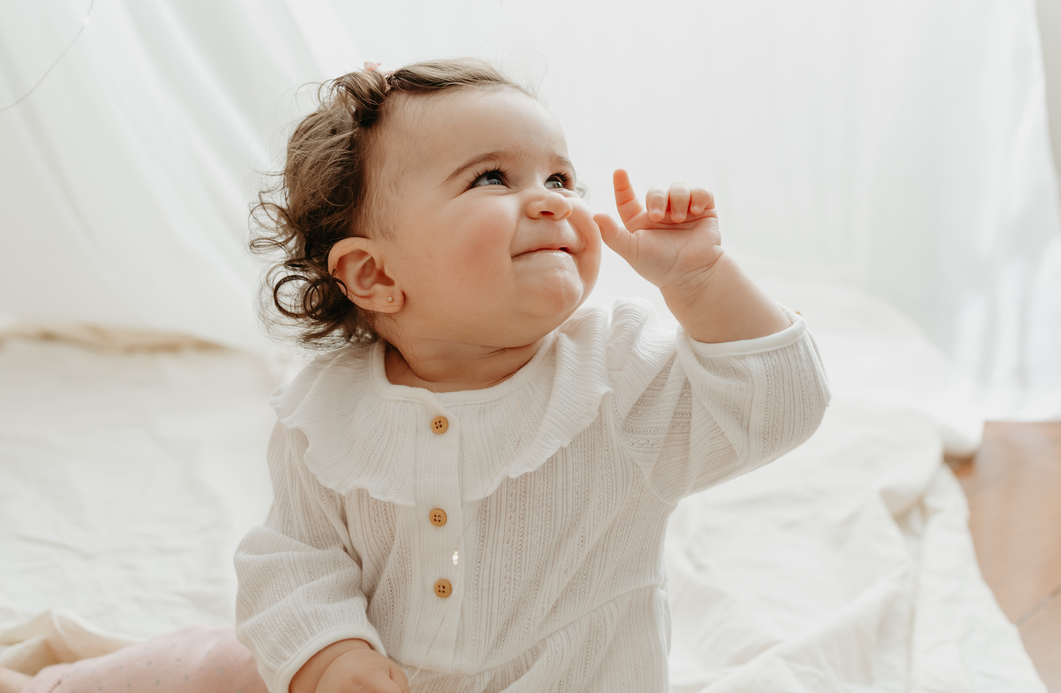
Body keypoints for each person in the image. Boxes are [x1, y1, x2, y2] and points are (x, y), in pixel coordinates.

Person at [6, 58, 830, 693]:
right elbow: (292, 559)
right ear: (373, 277)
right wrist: (330, 655)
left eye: (560, 176)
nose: (550, 200)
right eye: (491, 178)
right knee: (206, 668)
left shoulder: (618, 378)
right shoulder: (327, 412)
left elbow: (780, 407)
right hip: (371, 677)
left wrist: (702, 282)